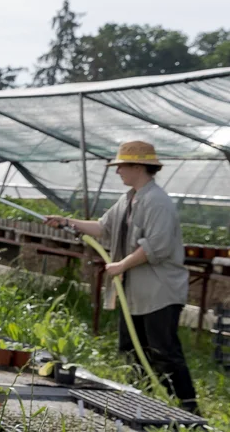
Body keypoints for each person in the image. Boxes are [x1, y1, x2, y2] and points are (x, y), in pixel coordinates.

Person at [45, 140, 196, 410]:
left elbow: (156, 246)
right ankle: (144, 403)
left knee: (163, 352)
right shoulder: (128, 200)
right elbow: (104, 228)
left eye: (121, 166)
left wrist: (121, 265)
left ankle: (187, 408)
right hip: (134, 293)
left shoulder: (157, 202)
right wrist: (68, 222)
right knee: (131, 349)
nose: (118, 172)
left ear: (138, 166)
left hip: (159, 291)